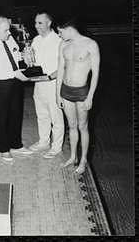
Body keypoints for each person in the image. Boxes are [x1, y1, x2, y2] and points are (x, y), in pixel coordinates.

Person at [0, 16, 33, 162]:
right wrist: (15, 74)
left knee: (16, 114)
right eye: (5, 30)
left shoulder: (9, 39)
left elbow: (15, 58)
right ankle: (3, 148)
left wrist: (24, 58)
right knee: (1, 117)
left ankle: (16, 144)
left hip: (15, 82)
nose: (9, 33)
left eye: (8, 30)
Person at [56, 15, 100, 175]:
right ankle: (73, 156)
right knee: (72, 125)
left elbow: (96, 73)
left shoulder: (90, 45)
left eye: (60, 31)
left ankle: (83, 160)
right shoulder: (63, 44)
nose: (59, 35)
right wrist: (57, 94)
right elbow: (60, 70)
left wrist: (90, 97)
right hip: (66, 91)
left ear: (69, 30)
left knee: (83, 126)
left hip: (82, 92)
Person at [29, 12, 65, 159]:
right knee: (42, 115)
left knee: (56, 117)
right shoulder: (35, 41)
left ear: (49, 23)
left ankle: (56, 147)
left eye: (40, 23)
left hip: (53, 84)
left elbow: (63, 67)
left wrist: (49, 77)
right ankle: (43, 141)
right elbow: (32, 64)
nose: (36, 26)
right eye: (36, 23)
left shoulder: (59, 41)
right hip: (38, 83)